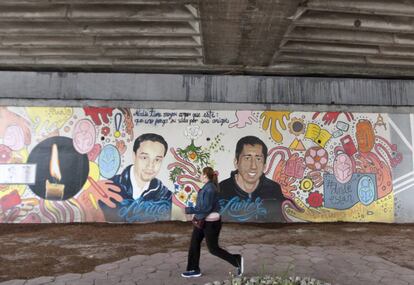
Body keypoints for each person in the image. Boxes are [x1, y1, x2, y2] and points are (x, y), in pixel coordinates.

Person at [181, 167, 244, 278]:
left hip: (211, 223)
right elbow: (203, 207)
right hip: (203, 221)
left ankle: (236, 260)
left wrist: (188, 210)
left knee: (213, 249)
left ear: (205, 175)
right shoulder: (207, 187)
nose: (200, 176)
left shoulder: (210, 189)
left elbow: (206, 208)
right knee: (194, 243)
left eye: (201, 174)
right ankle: (193, 269)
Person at [100, 133, 172, 222]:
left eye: (157, 160)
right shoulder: (109, 188)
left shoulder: (165, 196)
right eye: (145, 157)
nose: (150, 165)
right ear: (134, 156)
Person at [218, 136, 286, 222]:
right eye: (247, 158)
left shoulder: (273, 189)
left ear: (264, 166)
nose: (253, 166)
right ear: (236, 162)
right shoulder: (221, 189)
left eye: (258, 159)